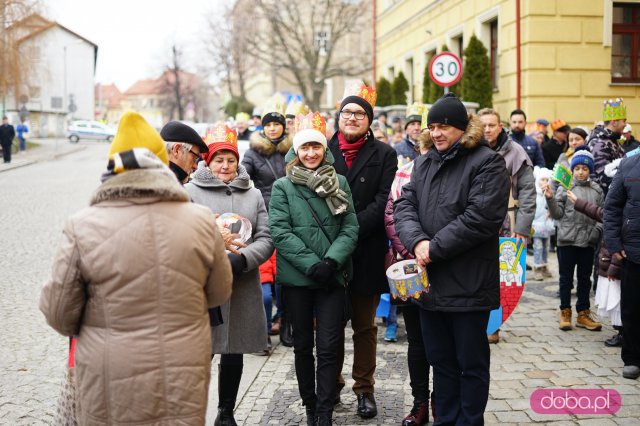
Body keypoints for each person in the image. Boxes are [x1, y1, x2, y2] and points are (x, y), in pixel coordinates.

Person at [39, 111, 233, 425]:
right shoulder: (200, 220)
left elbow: (59, 313)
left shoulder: (82, 225)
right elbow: (220, 292)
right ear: (161, 161)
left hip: (107, 373)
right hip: (180, 370)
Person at [395, 93, 510, 425]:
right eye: (432, 126)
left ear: (461, 127)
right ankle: (445, 419)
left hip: (468, 283)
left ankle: (469, 420)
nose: (437, 133)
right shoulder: (425, 161)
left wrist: (433, 248)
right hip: (431, 285)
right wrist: (417, 241)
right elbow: (404, 205)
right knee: (440, 361)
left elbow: (480, 218)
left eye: (444, 126)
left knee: (470, 363)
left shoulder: (487, 162)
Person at [269, 112, 359, 426]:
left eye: (316, 148)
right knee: (304, 347)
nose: (311, 154)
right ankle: (310, 406)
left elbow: (350, 228)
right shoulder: (282, 187)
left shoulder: (341, 183)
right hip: (298, 280)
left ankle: (324, 411)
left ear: (324, 150)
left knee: (330, 346)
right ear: (296, 150)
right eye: (305, 147)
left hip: (332, 277)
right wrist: (311, 265)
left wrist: (331, 262)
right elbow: (280, 231)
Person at [185, 124, 274, 426]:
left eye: (231, 160)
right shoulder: (189, 192)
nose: (225, 166)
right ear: (207, 162)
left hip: (241, 281)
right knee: (200, 352)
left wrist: (243, 260)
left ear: (238, 162)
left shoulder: (253, 195)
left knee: (234, 349)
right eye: (218, 159)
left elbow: (266, 236)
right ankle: (191, 411)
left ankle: (226, 412)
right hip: (204, 284)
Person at [328, 81, 398, 418]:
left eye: (359, 113)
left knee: (365, 326)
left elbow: (384, 200)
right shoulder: (320, 150)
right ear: (338, 117)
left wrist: (352, 231)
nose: (352, 118)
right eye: (347, 112)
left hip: (366, 249)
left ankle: (364, 389)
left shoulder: (385, 154)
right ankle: (331, 386)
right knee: (329, 324)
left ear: (369, 120)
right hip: (328, 251)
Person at [385, 130, 434, 425]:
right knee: (416, 341)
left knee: (441, 341)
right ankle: (420, 403)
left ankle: (442, 399)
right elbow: (392, 216)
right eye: (424, 151)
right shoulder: (404, 175)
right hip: (409, 266)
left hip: (442, 265)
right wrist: (410, 248)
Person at [478, 108, 536, 342]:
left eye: (492, 125)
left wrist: (521, 228)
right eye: (483, 125)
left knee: (501, 277)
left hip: (505, 224)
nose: (488, 129)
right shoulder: (469, 149)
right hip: (474, 221)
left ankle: (493, 325)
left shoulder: (516, 152)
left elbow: (528, 193)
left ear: (500, 126)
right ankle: (474, 321)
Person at [542, 148, 603, 331]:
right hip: (567, 241)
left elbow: (603, 216)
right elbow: (557, 214)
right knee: (566, 279)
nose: (581, 172)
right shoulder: (565, 187)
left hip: (587, 241)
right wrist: (550, 199)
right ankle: (565, 311)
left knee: (585, 278)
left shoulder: (597, 190)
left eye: (585, 168)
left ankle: (583, 313)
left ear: (590, 170)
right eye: (577, 168)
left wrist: (595, 233)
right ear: (572, 170)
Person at [604, 151, 640, 379]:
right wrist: (614, 244)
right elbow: (612, 207)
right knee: (632, 309)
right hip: (634, 252)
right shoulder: (629, 165)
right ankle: (633, 358)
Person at [587, 98, 626, 196]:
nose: (625, 124)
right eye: (624, 121)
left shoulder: (614, 141)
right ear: (614, 122)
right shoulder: (600, 144)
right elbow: (604, 178)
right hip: (605, 200)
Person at [531, 168, 555, 281]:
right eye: (542, 179)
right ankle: (537, 268)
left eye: (547, 179)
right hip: (536, 225)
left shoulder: (549, 194)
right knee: (538, 247)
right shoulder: (534, 194)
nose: (545, 182)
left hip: (546, 225)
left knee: (546, 247)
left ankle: (544, 266)